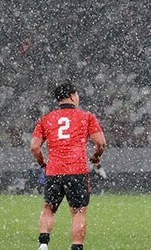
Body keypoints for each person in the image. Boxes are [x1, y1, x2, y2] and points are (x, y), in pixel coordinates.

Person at [30, 81, 107, 250]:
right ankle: (76, 247)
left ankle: (43, 244)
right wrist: (96, 156)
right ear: (73, 96)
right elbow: (101, 143)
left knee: (49, 207)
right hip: (77, 170)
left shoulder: (46, 119)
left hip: (54, 170)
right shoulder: (86, 116)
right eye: (77, 94)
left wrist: (43, 163)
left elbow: (35, 147)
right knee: (78, 211)